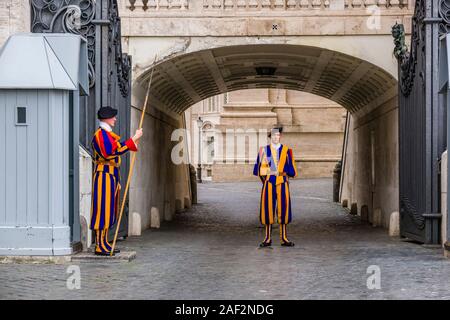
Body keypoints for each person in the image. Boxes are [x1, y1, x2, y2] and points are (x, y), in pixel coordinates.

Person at [90, 106, 143, 256]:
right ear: (106, 118)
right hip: (104, 176)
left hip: (111, 175)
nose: (115, 119)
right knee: (102, 210)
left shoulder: (108, 135)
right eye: (113, 117)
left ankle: (104, 242)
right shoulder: (100, 135)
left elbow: (118, 147)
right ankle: (100, 245)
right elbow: (111, 152)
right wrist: (133, 139)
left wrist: (133, 142)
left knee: (109, 209)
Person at [253, 126, 298, 247]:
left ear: (280, 136)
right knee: (267, 209)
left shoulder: (287, 151)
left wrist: (284, 177)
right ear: (270, 137)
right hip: (269, 183)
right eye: (273, 135)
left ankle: (284, 238)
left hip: (283, 182)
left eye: (277, 135)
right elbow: (259, 170)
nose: (275, 137)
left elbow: (292, 170)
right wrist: (267, 180)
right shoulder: (264, 151)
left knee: (284, 209)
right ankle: (267, 238)